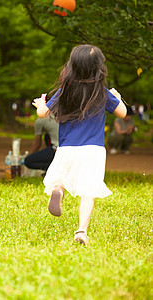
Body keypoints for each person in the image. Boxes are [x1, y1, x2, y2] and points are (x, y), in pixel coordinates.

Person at [32, 45, 127, 246]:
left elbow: (43, 113)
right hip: (93, 151)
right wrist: (117, 98)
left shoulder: (65, 90)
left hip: (67, 148)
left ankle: (58, 189)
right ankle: (81, 231)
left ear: (72, 66)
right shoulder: (101, 92)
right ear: (98, 68)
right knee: (87, 192)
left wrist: (41, 103)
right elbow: (122, 113)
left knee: (60, 179)